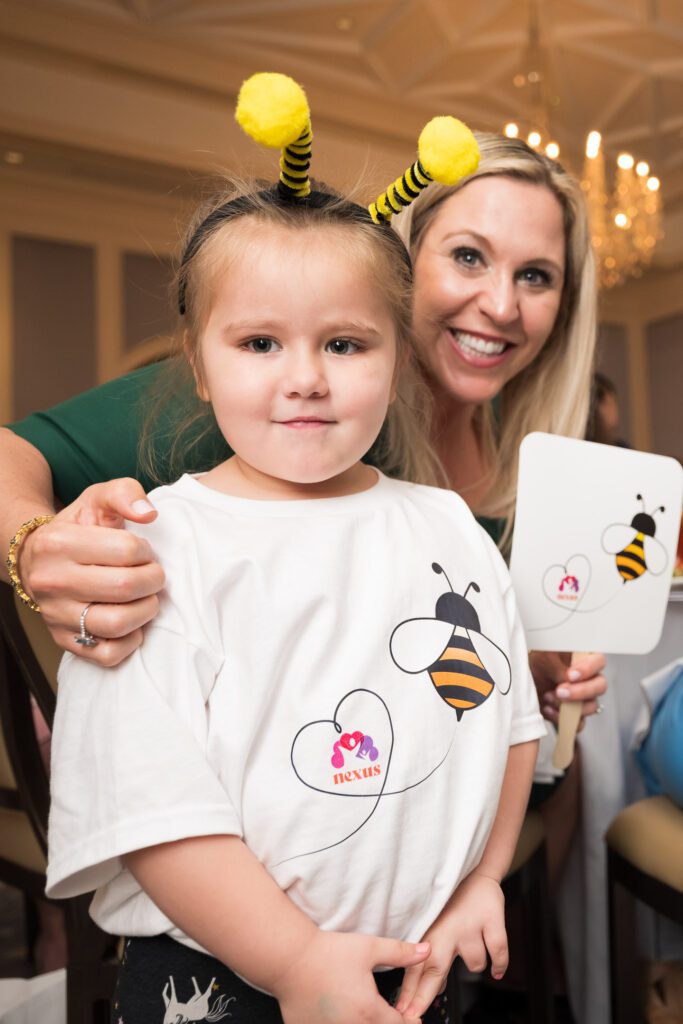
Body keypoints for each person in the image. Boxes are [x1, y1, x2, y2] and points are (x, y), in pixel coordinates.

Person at [45, 81, 546, 1024]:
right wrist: (292, 960)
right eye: (261, 341)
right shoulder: (157, 543)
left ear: (396, 354)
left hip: (424, 965)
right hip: (223, 980)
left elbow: (510, 723)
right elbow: (155, 806)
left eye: (347, 343)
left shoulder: (445, 529)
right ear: (199, 362)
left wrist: (483, 879)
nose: (306, 379)